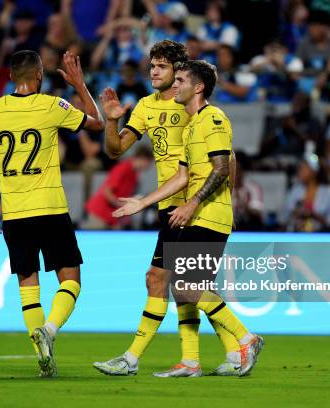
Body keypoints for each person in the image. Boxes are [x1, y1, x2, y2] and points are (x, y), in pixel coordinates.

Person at [93, 40, 249, 378]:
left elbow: (227, 160)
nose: (153, 71)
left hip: (196, 205)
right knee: (180, 285)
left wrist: (226, 205)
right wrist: (110, 121)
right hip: (170, 203)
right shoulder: (147, 107)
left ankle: (135, 358)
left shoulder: (195, 108)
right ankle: (218, 354)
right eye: (152, 65)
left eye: (162, 67)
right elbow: (116, 149)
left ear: (180, 72)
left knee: (172, 282)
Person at [0, 50, 104, 378]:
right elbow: (98, 123)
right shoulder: (51, 105)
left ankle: (43, 360)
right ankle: (51, 329)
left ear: (11, 78)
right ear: (39, 76)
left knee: (27, 285)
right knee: (70, 280)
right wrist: (79, 86)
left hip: (14, 213)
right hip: (50, 208)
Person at [84, 146, 154, 230]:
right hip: (99, 214)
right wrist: (120, 205)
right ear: (143, 159)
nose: (149, 166)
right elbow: (106, 191)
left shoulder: (135, 174)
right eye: (149, 162)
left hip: (113, 216)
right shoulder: (122, 168)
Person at [282, 154, 330, 232]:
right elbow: (284, 220)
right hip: (297, 236)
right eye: (299, 168)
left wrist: (313, 215)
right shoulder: (294, 190)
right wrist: (296, 214)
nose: (299, 172)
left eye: (303, 168)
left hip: (321, 237)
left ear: (314, 171)